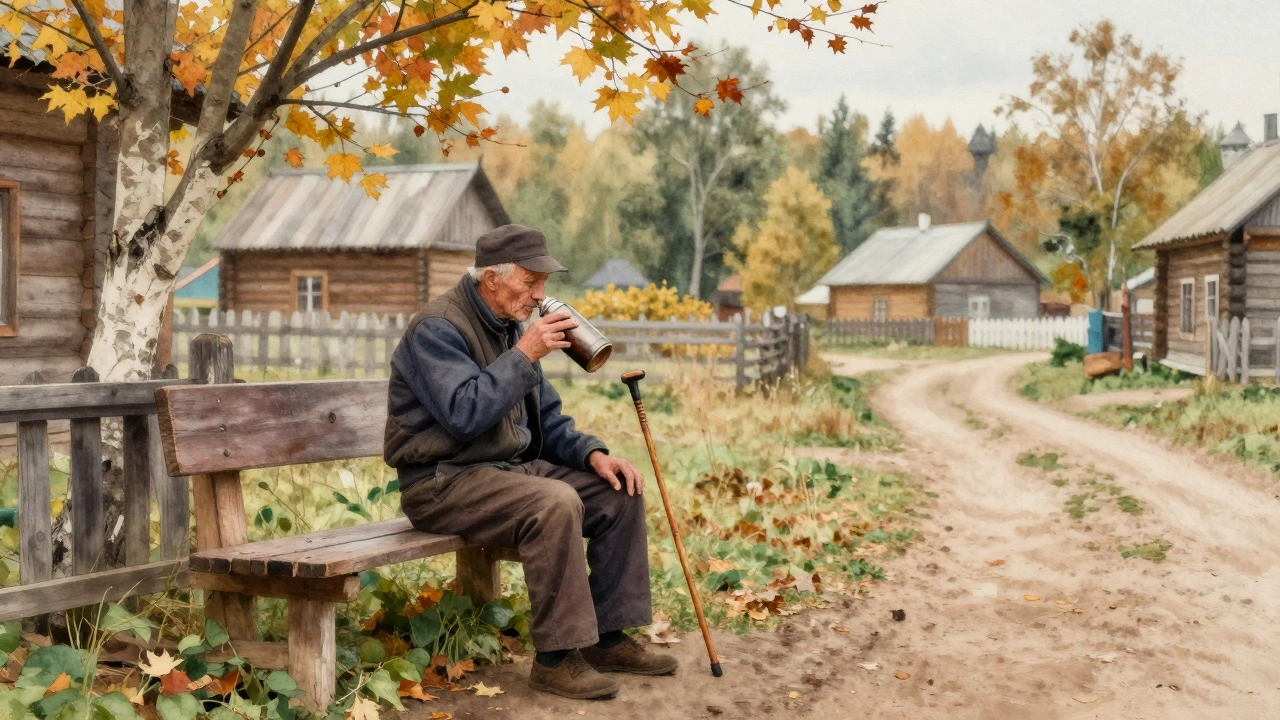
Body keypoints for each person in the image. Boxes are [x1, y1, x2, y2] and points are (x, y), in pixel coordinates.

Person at [385, 224, 678, 699]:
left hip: (503, 473)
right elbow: (463, 414)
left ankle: (607, 639)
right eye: (530, 282)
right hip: (442, 481)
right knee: (555, 502)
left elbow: (547, 419)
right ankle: (556, 660)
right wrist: (525, 354)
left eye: (543, 282)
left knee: (617, 491)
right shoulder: (437, 329)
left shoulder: (508, 329)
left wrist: (595, 455)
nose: (540, 295)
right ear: (492, 279)